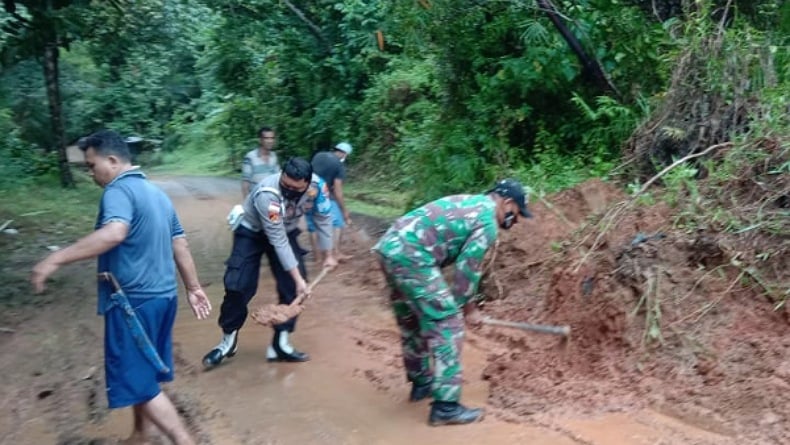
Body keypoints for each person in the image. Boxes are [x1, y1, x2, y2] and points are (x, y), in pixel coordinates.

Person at [30, 130, 213, 445]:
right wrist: (193, 287)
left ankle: (184, 440)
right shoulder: (155, 193)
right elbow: (179, 243)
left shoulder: (117, 191)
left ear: (112, 160)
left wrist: (55, 259)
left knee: (136, 379)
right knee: (144, 373)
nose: (90, 174)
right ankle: (142, 435)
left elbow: (114, 233)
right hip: (163, 298)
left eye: (91, 166)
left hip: (134, 302)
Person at [372, 179, 532, 426]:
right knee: (448, 324)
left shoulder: (472, 203)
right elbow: (468, 268)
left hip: (389, 249)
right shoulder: (487, 220)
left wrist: (460, 304)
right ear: (507, 203)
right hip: (413, 257)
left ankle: (422, 385)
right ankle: (446, 407)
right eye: (516, 213)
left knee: (412, 320)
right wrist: (467, 310)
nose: (516, 220)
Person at [203, 157, 338, 368]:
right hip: (252, 231)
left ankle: (280, 343)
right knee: (237, 284)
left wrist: (328, 254)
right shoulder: (268, 194)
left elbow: (323, 217)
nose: (289, 192)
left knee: (293, 288)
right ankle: (228, 340)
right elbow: (278, 240)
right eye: (285, 186)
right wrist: (298, 279)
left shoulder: (317, 188)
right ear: (281, 176)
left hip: (288, 227)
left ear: (307, 183)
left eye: (295, 189)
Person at [305, 142, 353, 262]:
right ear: (344, 154)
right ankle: (336, 253)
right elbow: (338, 191)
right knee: (337, 223)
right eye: (345, 155)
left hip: (307, 192)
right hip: (323, 195)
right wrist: (344, 211)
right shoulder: (339, 165)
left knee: (312, 226)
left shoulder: (319, 155)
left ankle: (317, 258)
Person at [241, 126, 280, 198]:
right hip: (256, 198)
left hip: (272, 198)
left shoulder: (274, 156)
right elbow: (246, 182)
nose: (270, 141)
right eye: (266, 138)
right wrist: (247, 202)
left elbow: (277, 179)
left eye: (272, 138)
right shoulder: (250, 157)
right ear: (260, 140)